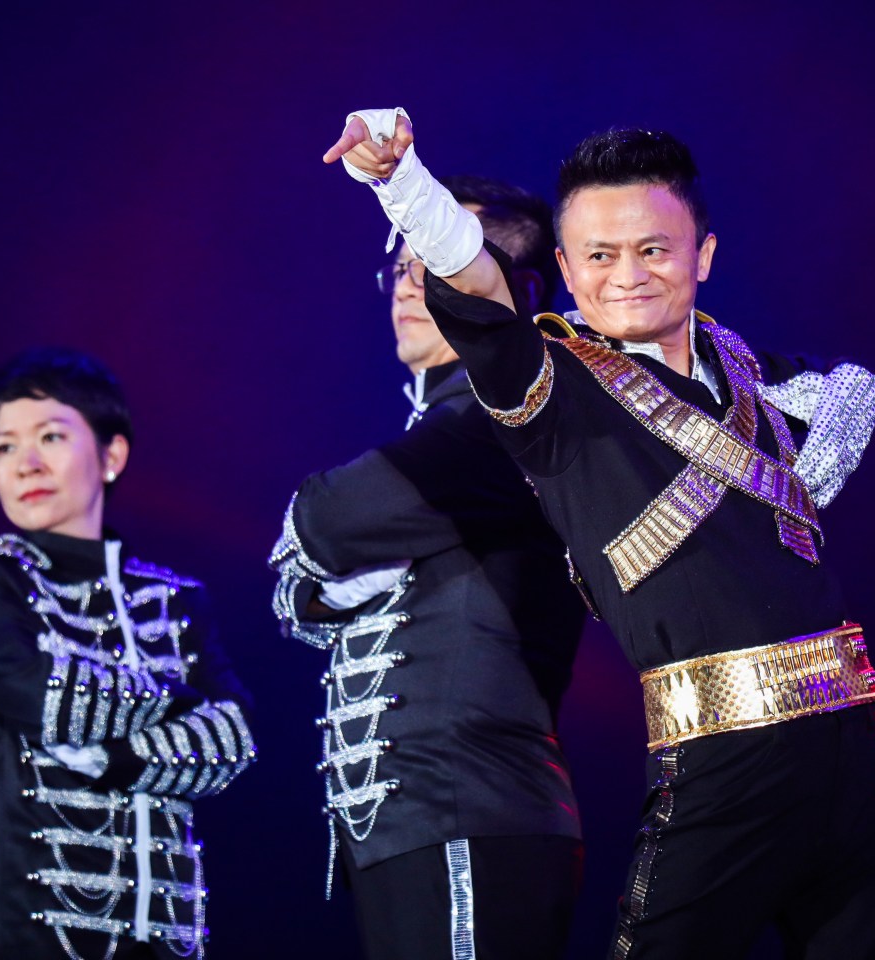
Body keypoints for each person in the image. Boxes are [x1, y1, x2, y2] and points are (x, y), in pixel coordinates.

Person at [322, 108, 875, 960]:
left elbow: (872, 394)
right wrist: (400, 181)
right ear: (565, 269)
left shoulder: (746, 368)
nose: (628, 275)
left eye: (654, 249)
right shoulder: (553, 388)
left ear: (703, 254)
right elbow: (474, 281)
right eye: (600, 256)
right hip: (718, 762)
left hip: (861, 750)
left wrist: (819, 451)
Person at [269, 175, 587, 960]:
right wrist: (316, 578)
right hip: (411, 822)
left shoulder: (510, 418)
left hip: (472, 803)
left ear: (513, 289)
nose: (408, 287)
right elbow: (294, 590)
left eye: (435, 263)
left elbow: (324, 518)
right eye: (400, 268)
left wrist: (322, 568)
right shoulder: (446, 424)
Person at [0, 347, 256, 959]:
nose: (26, 463)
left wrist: (117, 756)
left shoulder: (178, 597)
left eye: (50, 437)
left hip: (171, 941)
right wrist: (181, 705)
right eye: (4, 447)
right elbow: (31, 689)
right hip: (38, 938)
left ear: (111, 455)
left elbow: (237, 738)